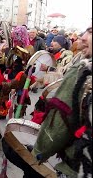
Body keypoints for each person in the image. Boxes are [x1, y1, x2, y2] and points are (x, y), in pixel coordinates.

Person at [31, 23, 92, 177]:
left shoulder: (81, 68)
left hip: (79, 168)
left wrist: (39, 152)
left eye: (90, 32)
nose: (82, 37)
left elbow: (62, 75)